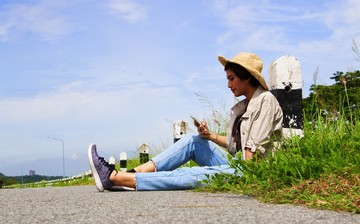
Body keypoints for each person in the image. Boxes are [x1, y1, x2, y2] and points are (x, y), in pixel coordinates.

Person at [88, 52, 283, 192]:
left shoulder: (265, 101)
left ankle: (116, 178)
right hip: (243, 165)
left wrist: (220, 171)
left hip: (254, 172)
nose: (228, 85)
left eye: (232, 78)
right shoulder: (245, 107)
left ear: (247, 76)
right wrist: (209, 136)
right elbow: (235, 147)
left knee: (203, 173)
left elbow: (251, 157)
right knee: (193, 141)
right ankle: (130, 173)